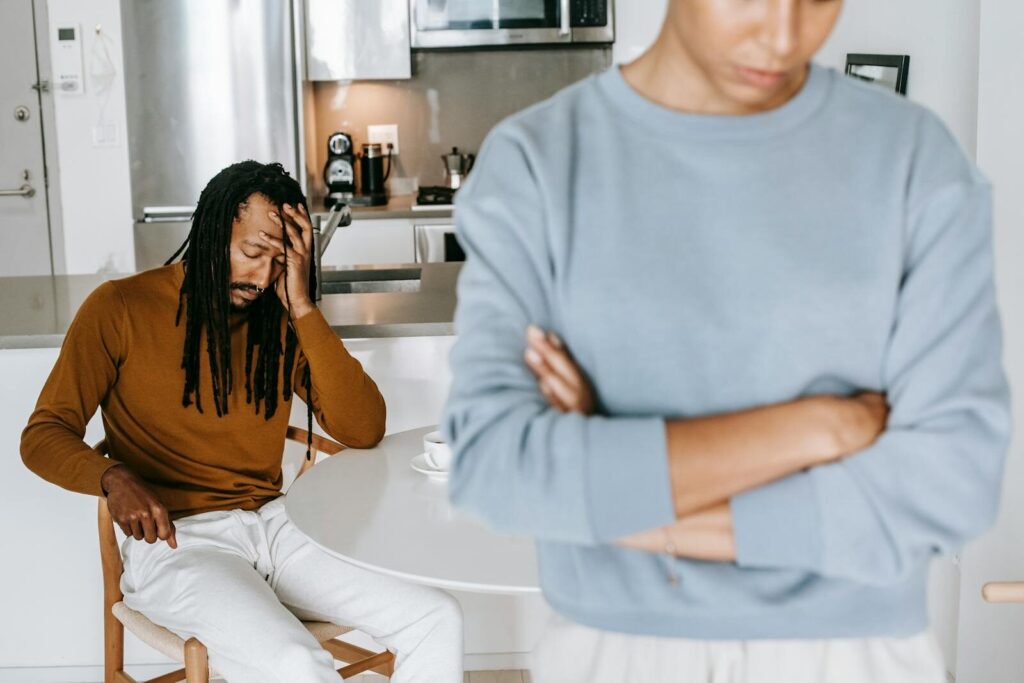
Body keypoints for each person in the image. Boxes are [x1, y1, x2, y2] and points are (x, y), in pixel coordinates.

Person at [441, 1, 1012, 681]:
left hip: (860, 654)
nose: (781, 33)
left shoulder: (913, 157)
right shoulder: (538, 161)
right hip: (616, 654)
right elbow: (496, 462)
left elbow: (951, 483)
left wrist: (619, 500)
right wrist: (822, 426)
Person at [22, 161, 463, 682]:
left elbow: (363, 428)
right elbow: (43, 433)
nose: (260, 276)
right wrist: (111, 476)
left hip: (278, 527)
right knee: (294, 662)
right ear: (212, 230)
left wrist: (301, 305)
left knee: (437, 617)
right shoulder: (120, 307)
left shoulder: (277, 317)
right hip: (179, 544)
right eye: (252, 253)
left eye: (278, 260)